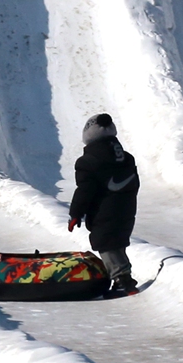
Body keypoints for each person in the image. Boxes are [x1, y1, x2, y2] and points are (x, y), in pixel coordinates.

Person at [68, 113, 139, 295]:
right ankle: (121, 278)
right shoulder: (127, 158)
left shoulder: (88, 162)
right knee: (117, 241)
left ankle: (124, 280)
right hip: (127, 208)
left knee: (106, 243)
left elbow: (85, 191)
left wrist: (76, 213)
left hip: (104, 211)